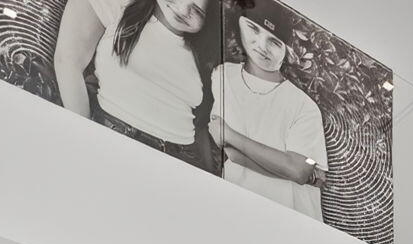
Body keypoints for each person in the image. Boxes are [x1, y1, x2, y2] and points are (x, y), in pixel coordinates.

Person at [53, 0, 216, 168]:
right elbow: (67, 61)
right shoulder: (122, 5)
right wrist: (83, 138)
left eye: (197, 11)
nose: (183, 10)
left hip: (179, 160)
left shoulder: (204, 52)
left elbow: (200, 124)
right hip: (112, 140)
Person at [211, 2, 328, 220]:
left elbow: (299, 170)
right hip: (236, 211)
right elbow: (231, 154)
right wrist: (289, 167)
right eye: (253, 28)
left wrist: (230, 135)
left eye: (274, 41)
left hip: (293, 222)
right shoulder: (222, 75)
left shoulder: (304, 105)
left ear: (286, 50)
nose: (262, 46)